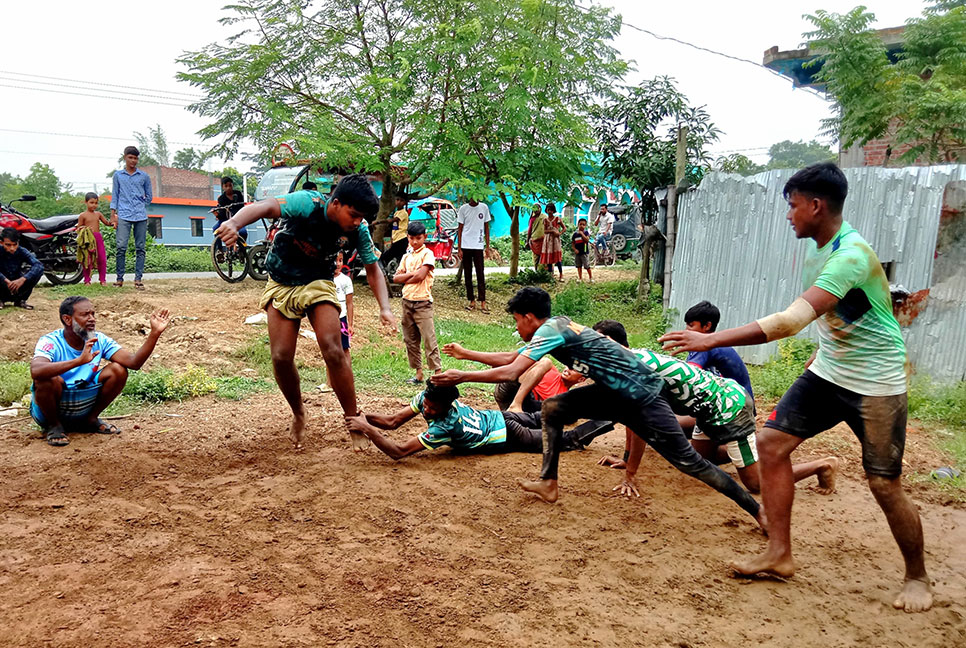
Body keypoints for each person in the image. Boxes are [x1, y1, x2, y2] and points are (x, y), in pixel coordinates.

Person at [660, 162, 931, 612]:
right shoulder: (818, 248)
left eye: (793, 205)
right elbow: (836, 319)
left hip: (876, 382)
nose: (789, 215)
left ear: (816, 205)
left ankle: (917, 577)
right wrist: (818, 357)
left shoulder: (850, 256)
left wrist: (709, 338)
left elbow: (788, 321)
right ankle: (779, 553)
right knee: (769, 445)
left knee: (884, 485)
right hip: (829, 371)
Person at [431, 287, 763, 528]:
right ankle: (548, 482)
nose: (518, 328)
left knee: (690, 462)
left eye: (518, 321)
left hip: (640, 394)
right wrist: (469, 358)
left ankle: (756, 510)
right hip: (613, 392)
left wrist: (462, 374)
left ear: (530, 318)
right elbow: (515, 360)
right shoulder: (557, 326)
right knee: (553, 410)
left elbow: (512, 372)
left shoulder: (551, 329)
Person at [215, 174, 397, 451]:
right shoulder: (307, 203)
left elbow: (373, 269)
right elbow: (264, 207)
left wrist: (385, 307)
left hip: (318, 282)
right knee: (280, 356)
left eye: (362, 218)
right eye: (354, 215)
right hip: (281, 281)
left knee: (333, 348)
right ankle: (299, 412)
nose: (357, 222)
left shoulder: (356, 230)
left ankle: (353, 418)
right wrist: (233, 222)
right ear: (335, 203)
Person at [592, 319, 838, 498]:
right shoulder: (628, 362)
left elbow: (638, 425)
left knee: (755, 484)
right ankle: (750, 448)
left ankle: (821, 465)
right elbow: (632, 420)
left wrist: (631, 474)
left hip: (729, 407)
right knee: (701, 459)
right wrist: (627, 462)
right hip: (707, 408)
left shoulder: (633, 369)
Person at [30, 296, 170, 446]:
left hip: (82, 406)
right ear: (67, 319)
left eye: (93, 314)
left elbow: (133, 362)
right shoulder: (51, 341)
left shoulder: (98, 340)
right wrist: (78, 361)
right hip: (49, 411)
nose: (92, 319)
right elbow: (36, 371)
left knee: (118, 370)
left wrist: (155, 333)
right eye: (85, 315)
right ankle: (54, 426)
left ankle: (90, 420)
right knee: (46, 379)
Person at [345, 381, 613, 460]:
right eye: (425, 404)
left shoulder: (443, 427)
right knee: (543, 415)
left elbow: (398, 451)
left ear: (446, 407)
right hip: (502, 416)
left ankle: (607, 416)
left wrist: (366, 429)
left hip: (508, 434)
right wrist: (363, 416)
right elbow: (392, 421)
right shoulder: (431, 398)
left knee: (561, 440)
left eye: (431, 408)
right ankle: (593, 404)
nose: (426, 410)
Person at [442, 341, 585, 414]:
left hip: (524, 410)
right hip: (509, 390)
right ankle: (466, 356)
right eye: (569, 365)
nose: (568, 368)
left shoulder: (566, 396)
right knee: (540, 361)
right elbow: (511, 358)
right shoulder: (550, 370)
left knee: (536, 363)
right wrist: (466, 353)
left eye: (575, 369)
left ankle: (515, 404)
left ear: (581, 379)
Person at [394, 221, 442, 384]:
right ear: (407, 237)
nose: (415, 242)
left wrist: (407, 277)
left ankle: (437, 373)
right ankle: (419, 373)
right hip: (407, 301)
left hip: (423, 302)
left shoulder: (428, 254)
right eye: (412, 238)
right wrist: (412, 275)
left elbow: (421, 276)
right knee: (410, 339)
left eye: (418, 238)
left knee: (429, 338)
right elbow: (395, 277)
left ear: (425, 237)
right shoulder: (406, 256)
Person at [682, 301, 754, 402]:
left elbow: (687, 376)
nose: (686, 330)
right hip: (742, 403)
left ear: (707, 326)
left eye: (691, 325)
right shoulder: (716, 344)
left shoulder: (705, 346)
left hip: (733, 406)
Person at [110, 146, 153, 290]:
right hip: (123, 215)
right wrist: (113, 215)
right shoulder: (118, 175)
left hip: (140, 215)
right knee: (121, 247)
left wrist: (141, 203)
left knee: (140, 248)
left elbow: (149, 196)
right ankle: (119, 278)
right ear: (125, 157)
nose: (133, 161)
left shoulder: (144, 176)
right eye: (130, 157)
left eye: (135, 158)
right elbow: (115, 195)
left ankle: (138, 279)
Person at [457, 196, 491, 313]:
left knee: (480, 274)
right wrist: (459, 248)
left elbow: (486, 227)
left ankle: (483, 302)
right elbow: (460, 229)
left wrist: (487, 246)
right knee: (468, 275)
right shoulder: (463, 209)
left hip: (478, 245)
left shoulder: (484, 207)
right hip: (466, 246)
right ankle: (471, 301)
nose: (474, 198)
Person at [0, 228, 43, 309]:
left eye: (14, 244)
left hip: (17, 285)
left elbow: (38, 265)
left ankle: (21, 300)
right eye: (8, 245)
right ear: (1, 243)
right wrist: (5, 280)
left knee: (37, 271)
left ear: (18, 243)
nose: (12, 248)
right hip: (2, 284)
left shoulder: (22, 251)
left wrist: (22, 279)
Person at [76, 193, 112, 285]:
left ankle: (102, 280)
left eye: (96, 203)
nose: (94, 205)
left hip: (98, 237)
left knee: (102, 258)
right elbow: (78, 228)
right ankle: (87, 280)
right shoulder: (82, 215)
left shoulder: (98, 214)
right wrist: (84, 229)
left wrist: (114, 221)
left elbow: (107, 223)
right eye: (91, 202)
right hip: (88, 239)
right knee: (87, 260)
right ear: (86, 202)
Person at [214, 177, 247, 257]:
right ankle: (219, 250)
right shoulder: (221, 199)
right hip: (225, 220)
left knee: (243, 232)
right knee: (215, 229)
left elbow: (242, 207)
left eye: (230, 185)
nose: (229, 188)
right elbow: (221, 214)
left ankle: (241, 249)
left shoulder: (238, 194)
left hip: (237, 219)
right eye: (226, 186)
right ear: (223, 187)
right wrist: (217, 214)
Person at [381, 194, 411, 271]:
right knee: (397, 258)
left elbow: (394, 220)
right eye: (397, 200)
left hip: (401, 239)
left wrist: (381, 221)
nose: (398, 202)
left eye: (401, 200)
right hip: (396, 239)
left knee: (389, 257)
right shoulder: (396, 213)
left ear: (405, 203)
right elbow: (395, 226)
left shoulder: (403, 213)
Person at [539, 204, 563, 280]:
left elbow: (564, 228)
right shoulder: (545, 220)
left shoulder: (557, 219)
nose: (550, 212)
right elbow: (545, 231)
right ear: (546, 210)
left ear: (553, 210)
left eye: (551, 210)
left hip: (555, 240)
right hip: (548, 240)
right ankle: (550, 275)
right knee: (549, 257)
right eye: (548, 210)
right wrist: (552, 231)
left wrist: (559, 233)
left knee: (558, 259)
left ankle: (561, 274)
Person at [572, 217, 593, 283]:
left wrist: (581, 233)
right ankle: (580, 278)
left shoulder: (586, 233)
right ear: (578, 225)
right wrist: (575, 249)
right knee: (579, 266)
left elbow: (587, 239)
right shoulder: (575, 234)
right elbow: (573, 243)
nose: (582, 226)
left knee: (587, 266)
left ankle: (590, 278)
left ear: (585, 226)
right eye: (580, 224)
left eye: (583, 225)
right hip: (578, 253)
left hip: (584, 252)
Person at [525, 204, 545, 271]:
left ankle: (544, 273)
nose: (536, 211)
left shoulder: (545, 217)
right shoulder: (532, 219)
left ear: (540, 209)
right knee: (536, 258)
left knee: (544, 258)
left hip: (544, 241)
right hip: (535, 241)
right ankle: (536, 272)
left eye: (537, 209)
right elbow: (529, 230)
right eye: (534, 209)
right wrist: (527, 241)